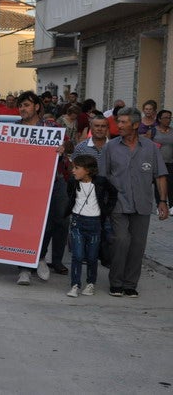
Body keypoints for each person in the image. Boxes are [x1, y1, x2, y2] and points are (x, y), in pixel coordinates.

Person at [101, 107, 168, 298]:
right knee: (121, 241)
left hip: (142, 203)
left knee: (137, 245)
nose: (119, 126)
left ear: (135, 125)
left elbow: (160, 175)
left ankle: (130, 284)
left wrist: (162, 201)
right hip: (118, 203)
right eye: (118, 122)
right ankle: (116, 282)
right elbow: (102, 178)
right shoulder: (110, 147)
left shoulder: (150, 148)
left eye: (123, 122)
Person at [12, 91, 71, 285]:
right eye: (21, 105)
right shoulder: (14, 128)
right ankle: (24, 269)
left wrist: (64, 148)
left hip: (54, 181)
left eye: (27, 105)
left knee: (55, 219)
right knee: (27, 224)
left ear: (37, 107)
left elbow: (69, 145)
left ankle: (39, 256)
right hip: (26, 185)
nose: (23, 109)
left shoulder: (52, 126)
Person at [64, 154, 117, 298]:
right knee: (77, 255)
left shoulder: (101, 182)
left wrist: (106, 210)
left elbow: (113, 194)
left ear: (87, 170)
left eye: (76, 168)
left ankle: (90, 283)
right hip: (77, 222)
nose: (73, 171)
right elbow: (70, 196)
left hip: (95, 223)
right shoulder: (73, 182)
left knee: (92, 257)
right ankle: (75, 285)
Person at [152, 110, 173, 202]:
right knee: (159, 184)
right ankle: (159, 204)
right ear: (159, 119)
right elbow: (147, 147)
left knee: (171, 184)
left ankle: (172, 205)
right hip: (158, 162)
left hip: (171, 162)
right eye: (166, 118)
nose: (168, 120)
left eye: (170, 118)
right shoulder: (152, 131)